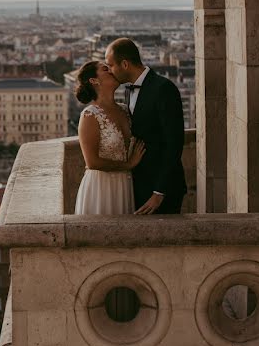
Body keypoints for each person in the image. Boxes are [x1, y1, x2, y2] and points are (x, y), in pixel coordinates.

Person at [105, 37, 187, 214]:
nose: (110, 71)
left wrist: (159, 192)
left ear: (125, 64)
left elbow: (174, 143)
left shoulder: (164, 88)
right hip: (140, 184)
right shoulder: (129, 89)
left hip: (162, 189)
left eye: (111, 65)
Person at [74, 61, 146, 214]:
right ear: (94, 80)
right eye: (105, 69)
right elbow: (92, 162)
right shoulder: (90, 115)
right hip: (100, 188)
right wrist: (128, 165)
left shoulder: (126, 110)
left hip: (124, 186)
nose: (112, 70)